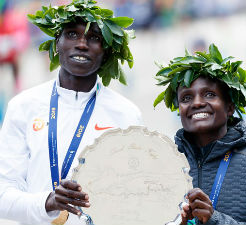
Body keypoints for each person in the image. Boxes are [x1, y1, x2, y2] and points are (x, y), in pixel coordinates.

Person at [0, 1, 142, 225]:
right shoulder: (23, 106)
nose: (82, 44)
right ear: (57, 43)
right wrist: (48, 202)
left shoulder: (126, 114)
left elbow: (136, 196)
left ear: (106, 52)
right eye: (72, 34)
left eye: (94, 37)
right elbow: (2, 196)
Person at [154, 44, 246, 224]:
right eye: (186, 98)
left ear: (230, 107)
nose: (197, 103)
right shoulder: (160, 164)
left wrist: (215, 220)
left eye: (209, 94)